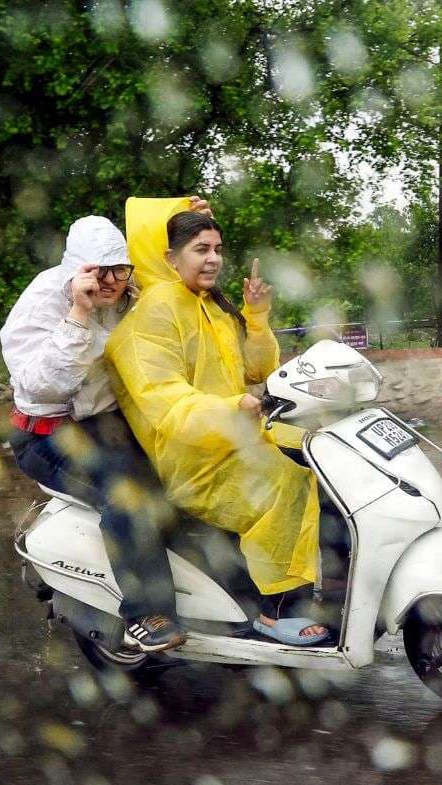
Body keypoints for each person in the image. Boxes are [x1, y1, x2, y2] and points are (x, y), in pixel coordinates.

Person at [106, 207, 329, 646]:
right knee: (286, 483)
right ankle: (277, 612)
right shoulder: (152, 317)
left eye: (217, 249)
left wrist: (256, 316)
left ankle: (335, 587)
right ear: (169, 257)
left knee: (324, 455)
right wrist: (233, 408)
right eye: (200, 249)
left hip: (240, 435)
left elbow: (256, 369)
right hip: (195, 458)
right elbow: (167, 402)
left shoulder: (209, 306)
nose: (213, 259)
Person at [0, 204, 209, 652]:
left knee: (193, 472)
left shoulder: (127, 294)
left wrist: (187, 217)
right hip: (49, 432)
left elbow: (170, 266)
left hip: (110, 423)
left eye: (120, 269)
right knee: (127, 496)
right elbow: (42, 385)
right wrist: (79, 313)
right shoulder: (42, 303)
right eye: (101, 271)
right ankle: (145, 614)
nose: (112, 281)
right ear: (78, 270)